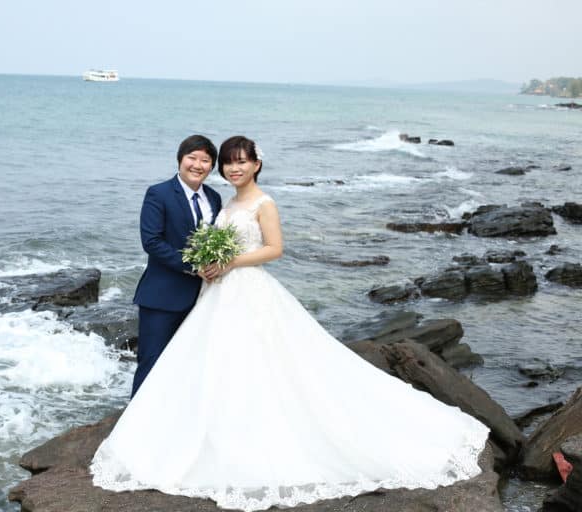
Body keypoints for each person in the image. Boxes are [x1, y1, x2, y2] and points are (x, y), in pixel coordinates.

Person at [91, 135, 490, 511]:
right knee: (178, 361)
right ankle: (146, 428)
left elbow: (274, 249)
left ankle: (239, 432)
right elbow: (154, 242)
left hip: (241, 287)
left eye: (235, 162)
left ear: (255, 164)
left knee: (254, 361)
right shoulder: (208, 199)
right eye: (225, 162)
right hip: (198, 292)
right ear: (184, 160)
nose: (230, 168)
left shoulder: (258, 202)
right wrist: (203, 264)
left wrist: (227, 262)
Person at [130, 134, 223, 397]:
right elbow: (151, 241)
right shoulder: (158, 193)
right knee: (151, 362)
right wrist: (193, 265)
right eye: (192, 158)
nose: (198, 165)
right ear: (180, 159)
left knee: (188, 363)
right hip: (162, 296)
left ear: (212, 166)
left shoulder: (214, 198)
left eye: (205, 160)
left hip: (202, 297)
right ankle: (138, 416)